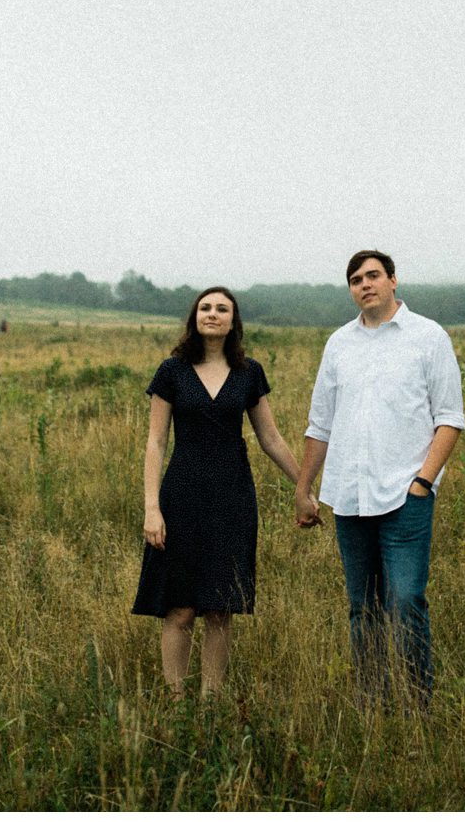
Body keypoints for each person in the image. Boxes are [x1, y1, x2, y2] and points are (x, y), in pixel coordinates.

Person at [295, 250, 465, 710]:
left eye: (373, 276)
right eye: (355, 279)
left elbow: (449, 419)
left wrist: (422, 483)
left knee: (406, 600)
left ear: (393, 280)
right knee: (361, 607)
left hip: (404, 495)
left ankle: (417, 703)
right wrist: (303, 488)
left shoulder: (428, 338)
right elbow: (320, 425)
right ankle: (371, 701)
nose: (364, 284)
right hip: (348, 498)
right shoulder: (339, 344)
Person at [132, 285, 315, 696]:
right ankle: (176, 702)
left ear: (234, 321)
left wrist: (304, 486)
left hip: (233, 498)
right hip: (180, 497)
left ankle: (212, 702)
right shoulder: (171, 371)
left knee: (220, 606)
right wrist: (151, 507)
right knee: (180, 608)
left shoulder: (249, 373)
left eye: (222, 309)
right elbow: (155, 443)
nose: (212, 314)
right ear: (194, 317)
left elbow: (270, 438)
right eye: (205, 308)